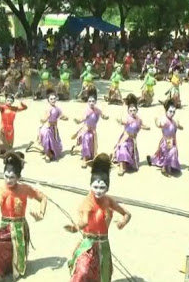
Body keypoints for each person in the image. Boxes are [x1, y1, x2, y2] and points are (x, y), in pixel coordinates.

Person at [0, 152, 47, 281]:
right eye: (6, 176)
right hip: (4, 228)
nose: (8, 180)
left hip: (19, 229)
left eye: (12, 177)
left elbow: (43, 198)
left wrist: (41, 213)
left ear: (18, 177)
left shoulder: (25, 189)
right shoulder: (1, 190)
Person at [65, 153, 131, 282]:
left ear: (107, 188)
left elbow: (127, 214)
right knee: (82, 272)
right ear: (90, 186)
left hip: (104, 246)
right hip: (88, 245)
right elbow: (84, 221)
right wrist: (75, 227)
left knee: (102, 277)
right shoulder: (87, 202)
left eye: (102, 187)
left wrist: (123, 222)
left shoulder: (109, 201)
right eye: (95, 187)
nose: (98, 191)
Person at [113, 94, 150, 176]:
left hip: (132, 141)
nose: (132, 112)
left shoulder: (139, 119)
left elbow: (142, 125)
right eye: (131, 110)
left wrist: (146, 127)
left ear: (137, 110)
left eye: (134, 110)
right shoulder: (127, 119)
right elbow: (122, 121)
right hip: (125, 138)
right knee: (123, 148)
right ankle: (121, 168)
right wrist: (119, 119)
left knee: (131, 158)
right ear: (128, 111)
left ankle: (127, 164)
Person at [26, 91, 67, 162]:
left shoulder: (58, 109)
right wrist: (45, 118)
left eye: (54, 98)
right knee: (47, 139)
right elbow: (42, 120)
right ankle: (47, 155)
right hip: (47, 128)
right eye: (51, 99)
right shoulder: (48, 109)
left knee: (54, 145)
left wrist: (63, 117)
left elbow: (65, 117)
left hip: (54, 128)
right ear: (48, 100)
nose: (53, 100)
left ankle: (36, 146)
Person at [72, 91, 109, 168]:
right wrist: (78, 120)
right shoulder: (87, 111)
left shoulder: (97, 110)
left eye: (93, 101)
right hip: (86, 130)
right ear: (87, 102)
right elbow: (83, 118)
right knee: (86, 140)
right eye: (89, 101)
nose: (91, 103)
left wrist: (106, 117)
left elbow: (103, 116)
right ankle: (84, 159)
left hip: (93, 131)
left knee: (93, 146)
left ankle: (91, 157)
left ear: (95, 102)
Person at [147, 99, 183, 176]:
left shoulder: (173, 121)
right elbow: (160, 124)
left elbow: (179, 126)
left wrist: (180, 126)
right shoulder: (165, 120)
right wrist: (156, 121)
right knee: (172, 151)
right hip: (165, 142)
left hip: (172, 141)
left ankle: (154, 160)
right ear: (166, 111)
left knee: (169, 153)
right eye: (170, 111)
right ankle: (165, 168)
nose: (172, 113)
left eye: (174, 112)